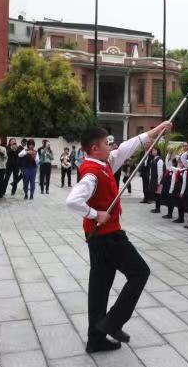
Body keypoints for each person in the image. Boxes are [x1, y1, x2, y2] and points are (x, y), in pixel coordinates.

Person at [65, 121, 172, 353]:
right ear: (95, 148)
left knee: (100, 286)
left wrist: (155, 131)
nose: (111, 147)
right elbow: (72, 201)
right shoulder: (92, 174)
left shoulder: (104, 162)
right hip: (107, 236)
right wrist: (95, 214)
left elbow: (126, 148)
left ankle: (95, 339)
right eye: (107, 143)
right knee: (140, 272)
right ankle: (113, 322)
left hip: (100, 237)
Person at [149, 147, 165, 213]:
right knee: (156, 194)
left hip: (158, 180)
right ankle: (156, 208)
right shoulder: (153, 159)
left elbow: (160, 172)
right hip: (154, 179)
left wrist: (158, 181)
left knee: (158, 194)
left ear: (158, 151)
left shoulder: (159, 160)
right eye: (152, 150)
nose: (153, 151)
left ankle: (158, 209)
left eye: (155, 150)